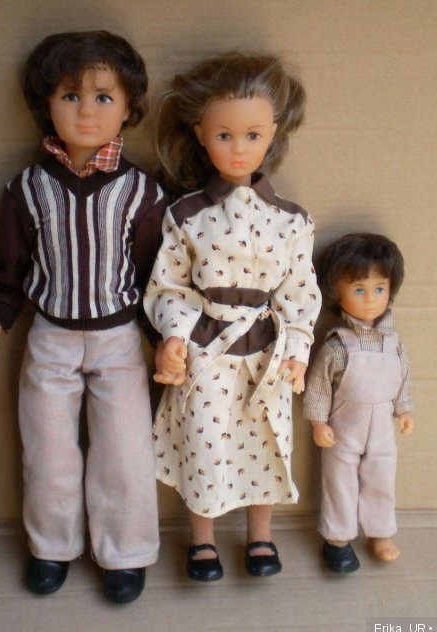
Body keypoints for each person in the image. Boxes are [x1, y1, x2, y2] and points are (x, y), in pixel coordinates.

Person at [0, 31, 166, 604]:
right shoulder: (26, 189)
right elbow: (6, 272)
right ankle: (51, 546)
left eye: (104, 97)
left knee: (124, 452)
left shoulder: (142, 193)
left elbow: (158, 278)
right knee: (48, 452)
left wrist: (169, 340)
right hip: (49, 337)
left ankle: (125, 552)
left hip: (118, 339)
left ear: (129, 107)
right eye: (70, 95)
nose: (86, 110)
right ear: (45, 104)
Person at [145, 52, 320, 581]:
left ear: (273, 134)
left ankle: (260, 536)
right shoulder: (185, 215)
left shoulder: (292, 220)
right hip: (207, 352)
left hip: (266, 353)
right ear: (200, 134)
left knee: (266, 442)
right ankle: (202, 539)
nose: (238, 148)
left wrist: (298, 348)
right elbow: (170, 285)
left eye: (252, 135)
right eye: (224, 135)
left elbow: (300, 291)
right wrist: (174, 335)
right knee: (204, 443)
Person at [303, 232, 414, 573]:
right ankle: (337, 539)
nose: (370, 299)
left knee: (382, 477)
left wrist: (404, 410)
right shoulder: (337, 345)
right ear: (336, 293)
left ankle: (380, 532)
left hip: (381, 428)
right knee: (340, 482)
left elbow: (403, 378)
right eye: (358, 290)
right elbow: (319, 387)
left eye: (379, 288)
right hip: (344, 427)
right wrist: (318, 422)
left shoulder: (394, 343)